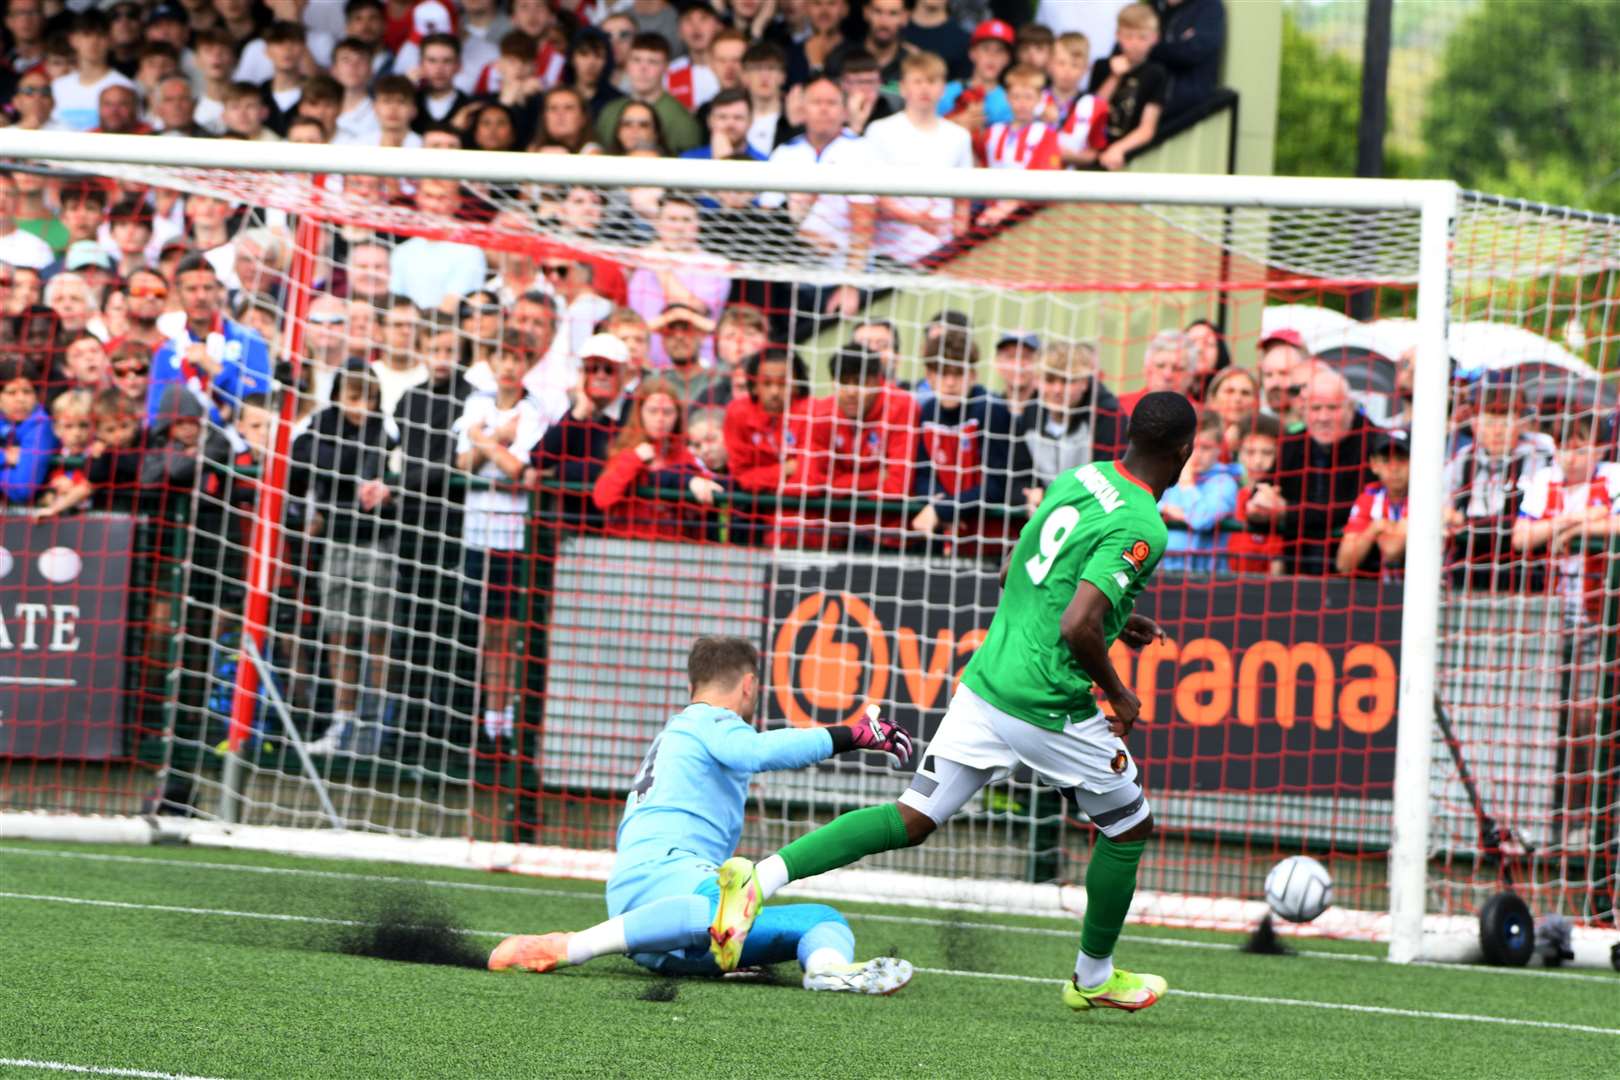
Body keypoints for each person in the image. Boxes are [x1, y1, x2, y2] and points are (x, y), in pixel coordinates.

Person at [710, 392, 1199, 1013]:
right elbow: (1078, 624)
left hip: (989, 678)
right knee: (1129, 826)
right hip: (1044, 699)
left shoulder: (1085, 477)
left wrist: (1118, 617)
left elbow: (1013, 571)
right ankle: (1093, 978)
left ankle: (760, 877)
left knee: (914, 817)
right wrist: (1121, 695)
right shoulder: (1143, 524)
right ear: (1184, 452)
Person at [487, 635, 915, 995]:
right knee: (714, 905)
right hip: (658, 884)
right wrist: (851, 735)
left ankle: (826, 970)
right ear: (748, 685)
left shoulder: (681, 732)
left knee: (823, 920)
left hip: (672, 928)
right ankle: (572, 946)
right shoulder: (708, 720)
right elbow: (757, 751)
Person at [291, 360, 399, 755]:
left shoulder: (385, 432)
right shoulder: (320, 428)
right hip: (336, 543)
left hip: (375, 543)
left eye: (369, 399)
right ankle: (342, 719)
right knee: (339, 631)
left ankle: (376, 721)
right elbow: (299, 464)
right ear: (338, 396)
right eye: (354, 398)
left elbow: (391, 473)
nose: (362, 407)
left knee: (376, 633)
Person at [455, 331, 550, 746]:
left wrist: (483, 440)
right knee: (488, 629)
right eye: (502, 357)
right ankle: (491, 719)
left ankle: (508, 716)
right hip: (478, 535)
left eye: (516, 357)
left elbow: (517, 470)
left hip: (514, 536)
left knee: (512, 631)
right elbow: (462, 463)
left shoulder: (533, 410)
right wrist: (495, 441)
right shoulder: (476, 403)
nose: (509, 365)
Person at [1244, 364, 1378, 576]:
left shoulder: (1374, 444)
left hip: (1360, 579)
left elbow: (1349, 511)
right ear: (1304, 410)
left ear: (1350, 407)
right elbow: (1258, 498)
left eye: (1332, 408)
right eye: (1316, 409)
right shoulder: (1294, 443)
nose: (1323, 417)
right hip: (1297, 577)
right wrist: (1260, 507)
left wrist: (1286, 512)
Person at [909, 329, 1028, 552]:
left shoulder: (991, 410)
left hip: (993, 540)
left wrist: (942, 509)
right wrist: (938, 504)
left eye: (958, 374)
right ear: (929, 376)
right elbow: (923, 474)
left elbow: (997, 486)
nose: (951, 382)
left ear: (972, 375)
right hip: (946, 534)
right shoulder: (927, 413)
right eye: (943, 373)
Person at [864, 51, 972, 265]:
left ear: (943, 88)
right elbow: (871, 194)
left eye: (932, 81)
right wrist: (914, 218)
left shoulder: (959, 136)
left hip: (941, 255)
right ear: (903, 87)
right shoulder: (879, 130)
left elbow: (963, 200)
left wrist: (958, 246)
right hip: (888, 254)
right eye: (918, 81)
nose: (924, 88)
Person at [149, 254, 273, 428]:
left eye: (207, 288)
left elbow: (262, 402)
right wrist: (218, 416)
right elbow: (156, 416)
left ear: (218, 291)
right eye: (192, 289)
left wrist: (215, 368)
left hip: (239, 449)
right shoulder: (167, 352)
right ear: (177, 294)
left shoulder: (249, 340)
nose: (201, 296)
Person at [592, 375, 722, 540]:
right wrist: (635, 459)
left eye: (667, 412)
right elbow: (602, 497)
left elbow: (704, 502)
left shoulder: (684, 455)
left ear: (676, 415)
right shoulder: (626, 453)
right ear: (640, 413)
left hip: (672, 550)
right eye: (653, 411)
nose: (660, 419)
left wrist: (697, 483)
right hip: (629, 547)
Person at [534, 331, 634, 527]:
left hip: (619, 528)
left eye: (609, 369)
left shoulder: (634, 410)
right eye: (592, 368)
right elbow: (538, 459)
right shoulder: (575, 409)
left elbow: (609, 468)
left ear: (624, 373)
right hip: (573, 530)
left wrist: (556, 471)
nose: (600, 375)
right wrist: (579, 413)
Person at [1019, 339, 1126, 511]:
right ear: (1037, 381)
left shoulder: (1108, 417)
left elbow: (1112, 484)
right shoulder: (1031, 414)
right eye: (1049, 380)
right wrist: (1029, 495)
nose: (1057, 390)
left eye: (1066, 381)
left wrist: (1052, 498)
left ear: (1084, 382)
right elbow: (1017, 474)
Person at [1080, 3, 1167, 171]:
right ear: (1118, 35)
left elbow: (1147, 128)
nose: (1134, 43)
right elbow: (1089, 113)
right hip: (1091, 151)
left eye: (1142, 37)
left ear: (1154, 38)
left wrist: (1117, 149)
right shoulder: (1102, 66)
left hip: (1129, 156)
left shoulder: (1156, 74)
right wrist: (1114, 76)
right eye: (1129, 36)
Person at [1157, 409, 1238, 572]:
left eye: (1205, 448)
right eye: (1191, 446)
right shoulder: (1167, 474)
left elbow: (1201, 519)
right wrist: (1164, 508)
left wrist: (1187, 484)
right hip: (1161, 571)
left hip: (1205, 578)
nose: (1196, 454)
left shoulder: (1225, 482)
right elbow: (1143, 503)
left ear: (1219, 448)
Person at [595, 33, 702, 155]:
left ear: (666, 67)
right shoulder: (609, 112)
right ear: (626, 65)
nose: (643, 69)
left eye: (653, 62)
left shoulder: (682, 120)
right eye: (636, 60)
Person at [1337, 428, 1411, 579]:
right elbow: (1343, 565)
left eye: (1402, 460)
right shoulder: (1369, 498)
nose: (1394, 468)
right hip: (1385, 592)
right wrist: (1374, 528)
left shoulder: (1429, 497)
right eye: (1386, 461)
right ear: (1374, 464)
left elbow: (1392, 551)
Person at [50, 11, 137, 132]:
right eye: (87, 35)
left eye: (100, 35)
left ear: (111, 41)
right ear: (73, 39)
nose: (93, 42)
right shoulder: (57, 86)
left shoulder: (125, 87)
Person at [1225, 413, 1285, 575]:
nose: (1258, 461)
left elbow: (1276, 565)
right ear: (1240, 454)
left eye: (1267, 453)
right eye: (1250, 452)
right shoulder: (1228, 490)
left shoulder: (1280, 498)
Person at [1150, 0, 1226, 121]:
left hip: (1184, 104)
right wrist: (1175, 44)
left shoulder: (1209, 6)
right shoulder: (1155, 6)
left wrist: (1151, 48)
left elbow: (1189, 53)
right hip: (1150, 97)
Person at [0, 357, 58, 506]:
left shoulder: (41, 426)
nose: (21, 399)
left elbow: (22, 490)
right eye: (12, 393)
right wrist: (4, 456)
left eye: (27, 392)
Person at [939, 19, 1013, 134]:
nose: (992, 57)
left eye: (1000, 51)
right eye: (986, 49)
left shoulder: (1012, 101)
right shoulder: (946, 91)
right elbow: (925, 130)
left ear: (1007, 59)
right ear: (972, 53)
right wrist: (954, 122)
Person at [1116, 330, 1194, 416]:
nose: (1167, 375)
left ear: (1191, 376)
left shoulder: (1202, 415)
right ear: (1145, 369)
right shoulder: (1119, 407)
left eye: (1177, 368)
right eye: (1160, 366)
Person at [1202, 365, 1258, 458]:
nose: (1237, 399)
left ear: (1256, 402)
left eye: (1245, 393)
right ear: (1213, 399)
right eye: (1229, 391)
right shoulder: (1195, 435)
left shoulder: (1266, 439)